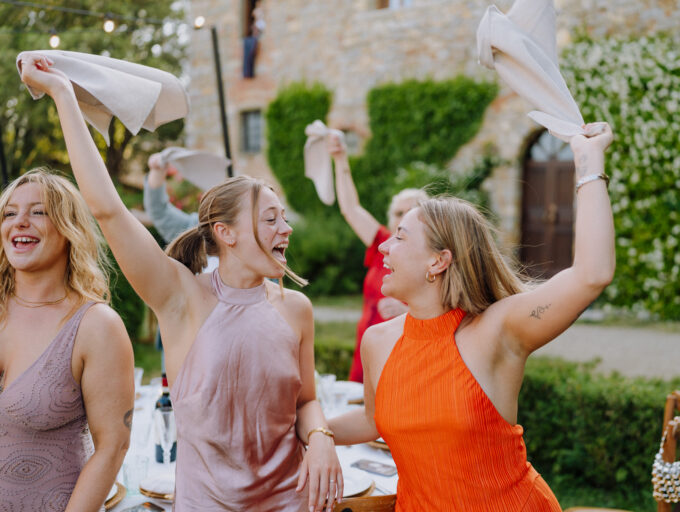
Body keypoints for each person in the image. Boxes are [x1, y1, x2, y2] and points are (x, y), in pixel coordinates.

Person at [19, 53, 342, 512]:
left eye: (284, 218)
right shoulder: (181, 297)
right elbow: (107, 208)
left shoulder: (296, 309)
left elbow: (306, 401)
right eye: (271, 219)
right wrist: (63, 94)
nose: (286, 229)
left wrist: (321, 436)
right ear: (226, 233)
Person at [329, 123, 615, 510]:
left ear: (438, 261)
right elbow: (372, 421)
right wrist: (309, 431)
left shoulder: (496, 329)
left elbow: (592, 275)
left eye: (400, 236)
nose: (383, 247)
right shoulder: (377, 341)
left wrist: (589, 161)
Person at [0, 169, 134, 511]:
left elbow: (113, 447)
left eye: (38, 212)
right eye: (10, 213)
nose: (20, 222)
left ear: (68, 229)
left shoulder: (96, 326)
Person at [328, 133, 427, 383]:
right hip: (367, 343)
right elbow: (350, 209)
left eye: (411, 211)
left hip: (404, 349)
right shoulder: (382, 244)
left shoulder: (432, 256)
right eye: (398, 213)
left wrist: (407, 311)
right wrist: (340, 159)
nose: (403, 217)